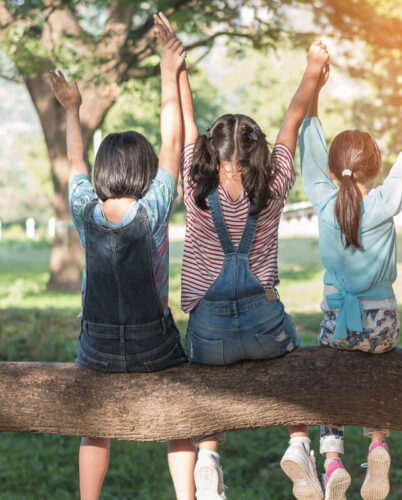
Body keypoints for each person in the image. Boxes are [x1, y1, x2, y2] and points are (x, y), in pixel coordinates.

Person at [153, 13, 329, 500]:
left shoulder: (195, 182)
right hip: (265, 325)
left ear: (212, 153)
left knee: (206, 383)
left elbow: (188, 123)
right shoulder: (273, 185)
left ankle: (208, 454)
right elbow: (293, 118)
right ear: (257, 155)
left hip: (210, 331)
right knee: (293, 360)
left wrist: (178, 64)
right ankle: (297, 443)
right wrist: (313, 70)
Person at [48, 31, 194, 500]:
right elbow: (173, 138)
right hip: (155, 347)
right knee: (182, 417)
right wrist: (166, 73)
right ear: (148, 171)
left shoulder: (84, 208)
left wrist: (72, 109)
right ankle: (187, 496)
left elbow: (73, 159)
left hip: (98, 350)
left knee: (94, 428)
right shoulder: (154, 208)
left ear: (102, 170)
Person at [297, 62, 402, 500]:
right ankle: (378, 441)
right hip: (383, 326)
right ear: (375, 168)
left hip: (336, 328)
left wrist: (315, 89)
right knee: (377, 367)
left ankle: (332, 460)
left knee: (329, 379)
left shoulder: (325, 202)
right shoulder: (383, 202)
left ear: (332, 170)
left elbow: (310, 141)